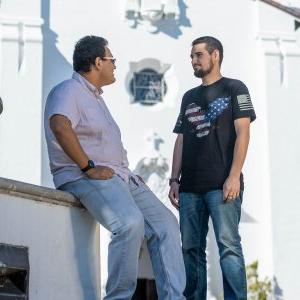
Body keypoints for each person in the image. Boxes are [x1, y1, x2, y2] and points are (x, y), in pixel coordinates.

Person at [44, 35, 186, 300]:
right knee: (129, 224)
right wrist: (88, 168)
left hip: (119, 177)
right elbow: (60, 126)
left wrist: (128, 174)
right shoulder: (68, 90)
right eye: (111, 60)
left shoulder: (97, 98)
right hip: (83, 176)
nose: (115, 65)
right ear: (98, 62)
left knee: (166, 225)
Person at [168, 36, 256, 300]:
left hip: (222, 184)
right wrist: (174, 180)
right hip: (190, 188)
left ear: (215, 55)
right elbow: (181, 138)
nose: (193, 61)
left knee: (228, 247)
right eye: (192, 57)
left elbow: (243, 134)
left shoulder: (234, 88)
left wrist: (233, 176)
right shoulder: (189, 97)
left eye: (198, 55)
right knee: (190, 250)